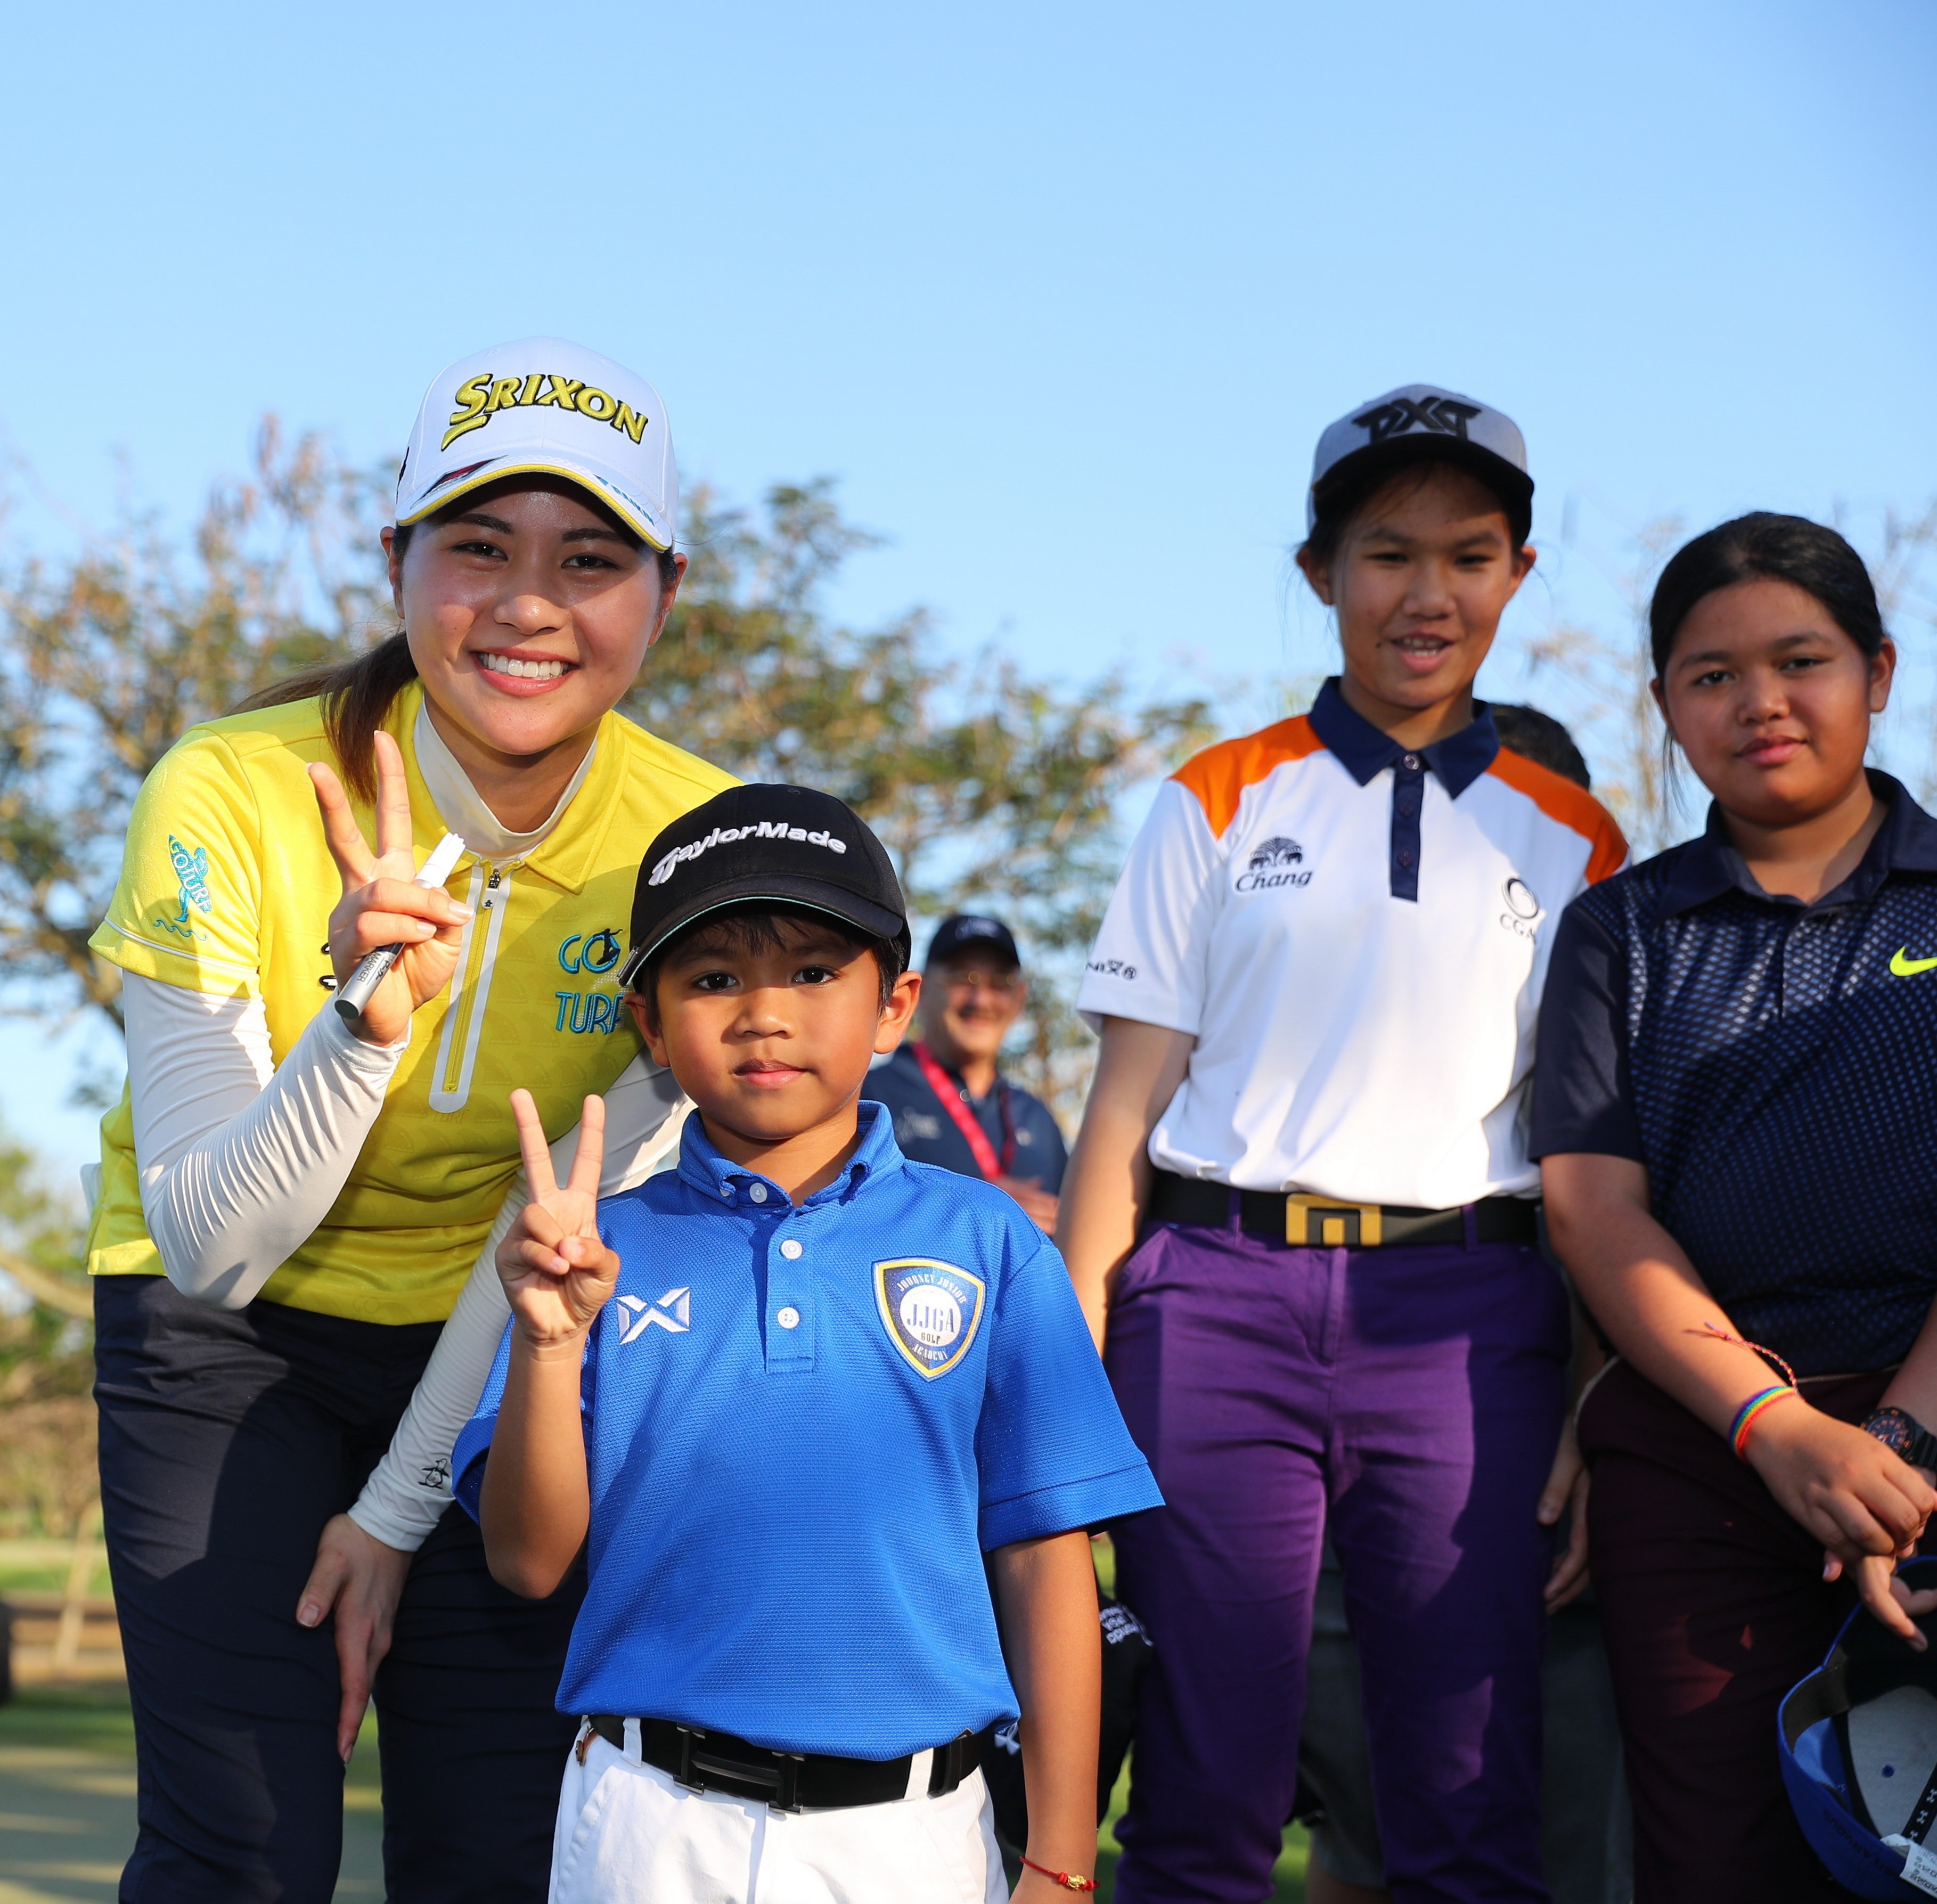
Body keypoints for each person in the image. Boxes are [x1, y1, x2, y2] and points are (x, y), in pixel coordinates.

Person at [84, 338, 735, 1902]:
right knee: (243, 1846)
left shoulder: (691, 846)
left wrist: (390, 1511)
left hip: (509, 1346)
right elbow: (213, 1247)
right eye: (476, 548)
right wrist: (364, 1030)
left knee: (505, 1853)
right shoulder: (228, 788)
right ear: (395, 565)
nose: (527, 604)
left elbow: (554, 1223)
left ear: (665, 594)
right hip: (223, 1342)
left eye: (589, 559)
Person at [1057, 384, 1629, 1904]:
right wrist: (1059, 1368)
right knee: (1202, 1789)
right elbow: (1119, 1115)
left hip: (1465, 1317)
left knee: (1462, 1791)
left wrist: (1589, 1390)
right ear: (1319, 572)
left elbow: (1584, 1165)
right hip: (1215, 1292)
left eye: (1466, 553)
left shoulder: (1577, 837)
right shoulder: (1211, 797)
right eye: (1383, 552)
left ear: (1514, 574)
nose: (1422, 592)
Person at [451, 785, 1163, 1901]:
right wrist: (548, 1343)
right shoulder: (599, 1249)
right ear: (649, 1019)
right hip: (647, 1823)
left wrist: (1063, 1858)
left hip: (914, 1835)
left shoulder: (984, 1239)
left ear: (896, 1005)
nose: (763, 1012)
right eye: (714, 976)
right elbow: (527, 1559)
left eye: (815, 970)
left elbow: (1045, 1557)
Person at [1533, 511, 1937, 1904]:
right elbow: (1593, 1204)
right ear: (1662, 708)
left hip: (1922, 1429)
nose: (1757, 700)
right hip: (1701, 1448)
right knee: (1713, 1857)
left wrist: (1890, 1448)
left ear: (1876, 670)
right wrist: (1774, 1428)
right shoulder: (1617, 931)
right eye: (1708, 674)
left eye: (1799, 658)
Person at [1293, 705, 1632, 1904]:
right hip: (1354, 1520)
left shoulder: (1624, 1019)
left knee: (1564, 1841)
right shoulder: (1346, 1035)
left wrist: (1599, 1421)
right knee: (1367, 1831)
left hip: (1564, 1512)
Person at [868, 912, 1068, 1231]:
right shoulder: (872, 1099)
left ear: (1019, 999)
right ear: (923, 990)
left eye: (999, 983)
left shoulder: (1038, 1118)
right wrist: (980, 1206)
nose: (981, 999)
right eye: (964, 978)